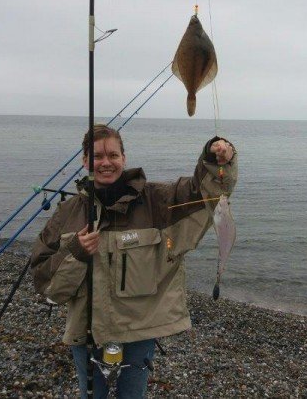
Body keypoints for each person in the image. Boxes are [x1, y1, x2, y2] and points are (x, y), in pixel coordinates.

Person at [30, 124, 237, 399]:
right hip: (86, 332)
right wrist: (76, 251)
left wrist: (216, 159)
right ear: (84, 161)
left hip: (140, 331)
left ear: (124, 159)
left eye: (113, 155)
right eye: (97, 156)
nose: (106, 163)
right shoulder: (67, 214)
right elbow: (45, 283)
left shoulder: (156, 202)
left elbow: (201, 193)